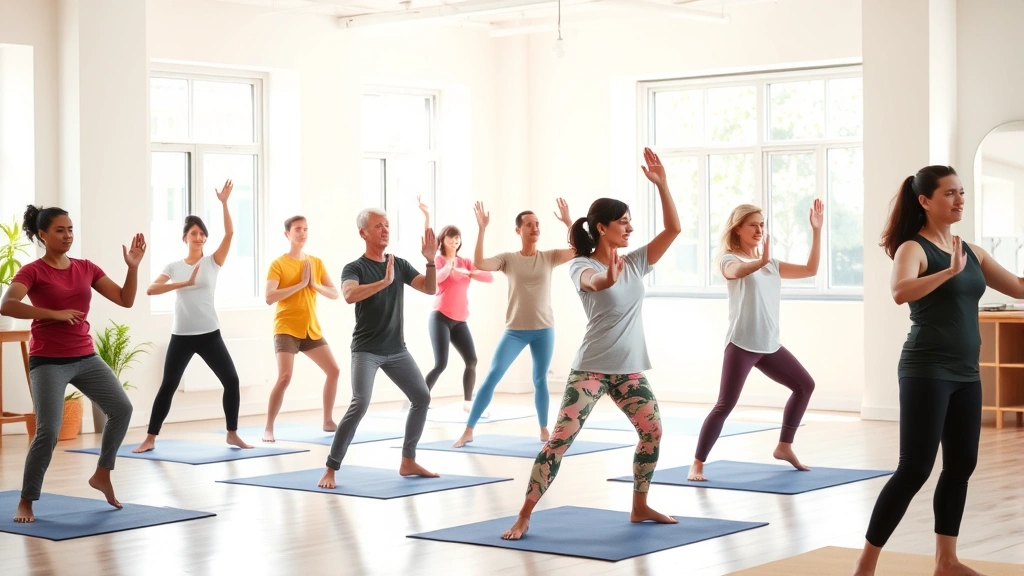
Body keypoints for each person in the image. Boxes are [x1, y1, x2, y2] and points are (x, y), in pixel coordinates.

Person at [853, 165, 1024, 576]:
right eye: (949, 193)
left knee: (961, 465)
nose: (959, 199)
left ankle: (946, 561)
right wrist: (947, 271)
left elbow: (1019, 287)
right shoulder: (913, 248)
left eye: (961, 192)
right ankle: (865, 565)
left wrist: (960, 266)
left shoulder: (973, 251)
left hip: (966, 372)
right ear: (925, 201)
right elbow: (899, 292)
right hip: (926, 369)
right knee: (914, 468)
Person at [501, 147, 680, 540]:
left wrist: (663, 185)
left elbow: (673, 230)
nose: (629, 229)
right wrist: (608, 280)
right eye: (622, 222)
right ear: (601, 228)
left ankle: (639, 505)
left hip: (629, 370)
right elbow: (594, 284)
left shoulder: (634, 262)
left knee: (653, 432)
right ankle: (525, 513)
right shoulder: (584, 265)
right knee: (559, 441)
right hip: (592, 370)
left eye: (631, 222)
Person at [1, 205, 144, 523]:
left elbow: (125, 299)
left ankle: (103, 473)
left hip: (85, 357)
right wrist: (52, 314)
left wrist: (132, 267)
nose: (67, 236)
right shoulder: (33, 271)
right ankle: (27, 500)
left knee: (122, 409)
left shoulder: (85, 267)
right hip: (48, 361)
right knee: (48, 430)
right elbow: (7, 305)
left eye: (70, 230)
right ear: (43, 234)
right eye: (59, 230)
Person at [687, 200, 822, 482]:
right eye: (754, 225)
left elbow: (810, 270)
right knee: (725, 404)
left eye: (763, 225)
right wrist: (757, 262)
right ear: (738, 229)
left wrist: (817, 232)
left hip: (770, 344)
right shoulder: (728, 258)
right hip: (742, 344)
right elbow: (734, 272)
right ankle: (697, 463)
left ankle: (784, 446)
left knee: (804, 385)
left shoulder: (771, 264)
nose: (760, 229)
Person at [317, 208, 439, 488]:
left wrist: (431, 261)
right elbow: (348, 295)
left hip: (396, 349)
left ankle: (408, 460)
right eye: (378, 226)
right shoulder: (355, 268)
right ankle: (331, 468)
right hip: (366, 350)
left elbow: (429, 289)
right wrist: (382, 282)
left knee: (421, 397)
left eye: (387, 225)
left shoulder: (399, 264)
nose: (385, 230)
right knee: (360, 403)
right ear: (363, 233)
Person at [134, 180, 251, 453]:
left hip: (209, 333)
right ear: (184, 237)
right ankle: (150, 438)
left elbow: (231, 232)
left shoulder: (213, 262)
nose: (198, 237)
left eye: (202, 234)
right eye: (193, 233)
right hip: (182, 336)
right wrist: (182, 284)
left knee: (231, 381)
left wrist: (223, 203)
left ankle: (232, 433)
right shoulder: (174, 267)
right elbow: (151, 289)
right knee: (168, 386)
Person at [452, 198, 575, 448]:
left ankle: (543, 428)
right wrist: (482, 229)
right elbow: (480, 264)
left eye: (537, 224)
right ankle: (469, 429)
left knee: (540, 379)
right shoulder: (508, 259)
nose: (535, 228)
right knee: (492, 377)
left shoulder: (548, 257)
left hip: (544, 329)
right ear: (518, 230)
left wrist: (568, 222)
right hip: (515, 331)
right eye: (529, 224)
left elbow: (578, 249)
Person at [262, 216, 341, 442]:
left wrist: (314, 284)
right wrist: (299, 284)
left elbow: (334, 293)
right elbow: (269, 297)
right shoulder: (279, 264)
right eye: (298, 229)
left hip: (310, 329)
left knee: (334, 371)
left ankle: (327, 420)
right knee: (285, 377)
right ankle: (268, 427)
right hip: (286, 327)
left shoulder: (315, 262)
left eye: (306, 229)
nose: (302, 233)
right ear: (287, 234)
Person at [424, 221, 493, 412]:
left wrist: (468, 271)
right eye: (451, 237)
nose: (455, 240)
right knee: (441, 364)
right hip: (440, 318)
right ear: (443, 240)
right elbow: (438, 278)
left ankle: (468, 403)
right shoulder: (438, 260)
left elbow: (489, 277)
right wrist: (450, 267)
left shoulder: (465, 262)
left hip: (460, 320)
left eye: (457, 237)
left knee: (471, 360)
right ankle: (420, 398)